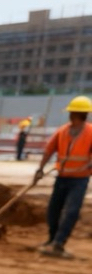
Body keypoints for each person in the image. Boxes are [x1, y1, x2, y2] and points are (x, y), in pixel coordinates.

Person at [33, 95, 92, 258]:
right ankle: (52, 239)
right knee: (53, 210)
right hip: (62, 177)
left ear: (79, 115)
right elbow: (49, 150)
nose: (71, 115)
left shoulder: (91, 132)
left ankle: (59, 243)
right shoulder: (63, 131)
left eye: (73, 112)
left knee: (71, 211)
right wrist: (40, 169)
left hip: (79, 180)